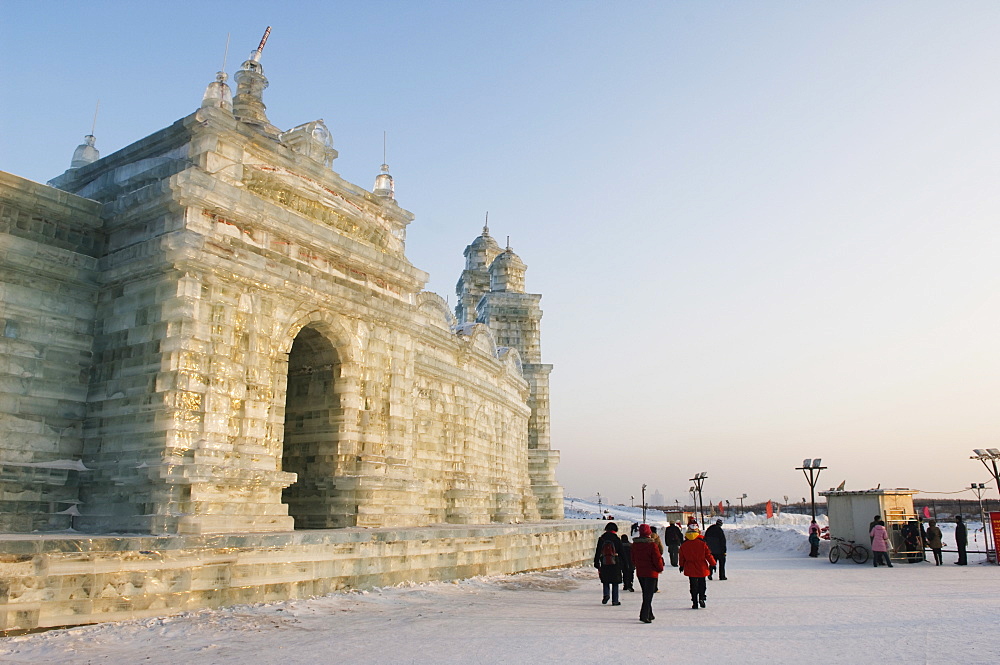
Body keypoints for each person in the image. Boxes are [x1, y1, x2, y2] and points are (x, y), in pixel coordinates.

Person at [631, 523, 665, 623]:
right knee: (648, 595)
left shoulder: (635, 545)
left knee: (646, 593)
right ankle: (644, 615)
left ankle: (650, 614)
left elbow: (633, 559)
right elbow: (657, 559)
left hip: (640, 572)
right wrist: (660, 568)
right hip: (651, 573)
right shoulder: (652, 545)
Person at [678, 527, 716, 609]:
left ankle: (694, 602)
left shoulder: (684, 544)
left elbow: (681, 557)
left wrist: (681, 565)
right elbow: (708, 555)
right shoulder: (702, 543)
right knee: (702, 584)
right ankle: (702, 597)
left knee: (693, 585)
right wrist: (713, 563)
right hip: (701, 566)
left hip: (690, 566)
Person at [594, 522, 624, 605]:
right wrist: (625, 563)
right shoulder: (616, 539)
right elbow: (622, 552)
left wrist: (596, 562)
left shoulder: (602, 539)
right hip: (615, 562)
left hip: (604, 562)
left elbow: (598, 551)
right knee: (615, 582)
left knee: (606, 580)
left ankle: (606, 594)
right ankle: (615, 600)